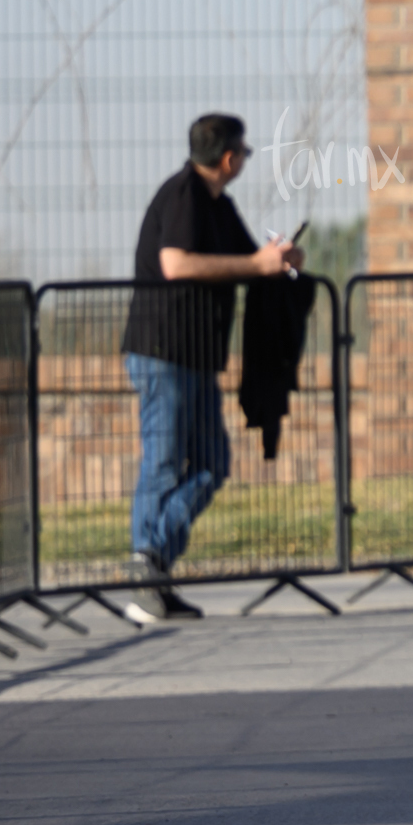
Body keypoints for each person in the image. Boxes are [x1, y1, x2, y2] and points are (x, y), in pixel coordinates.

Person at [120, 113, 304, 621]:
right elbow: (174, 263)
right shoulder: (184, 194)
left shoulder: (221, 205)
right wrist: (257, 265)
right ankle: (145, 576)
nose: (243, 160)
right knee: (162, 459)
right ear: (229, 157)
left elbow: (255, 258)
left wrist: (281, 259)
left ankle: (153, 567)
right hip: (163, 353)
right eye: (243, 152)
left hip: (198, 356)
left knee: (211, 464)